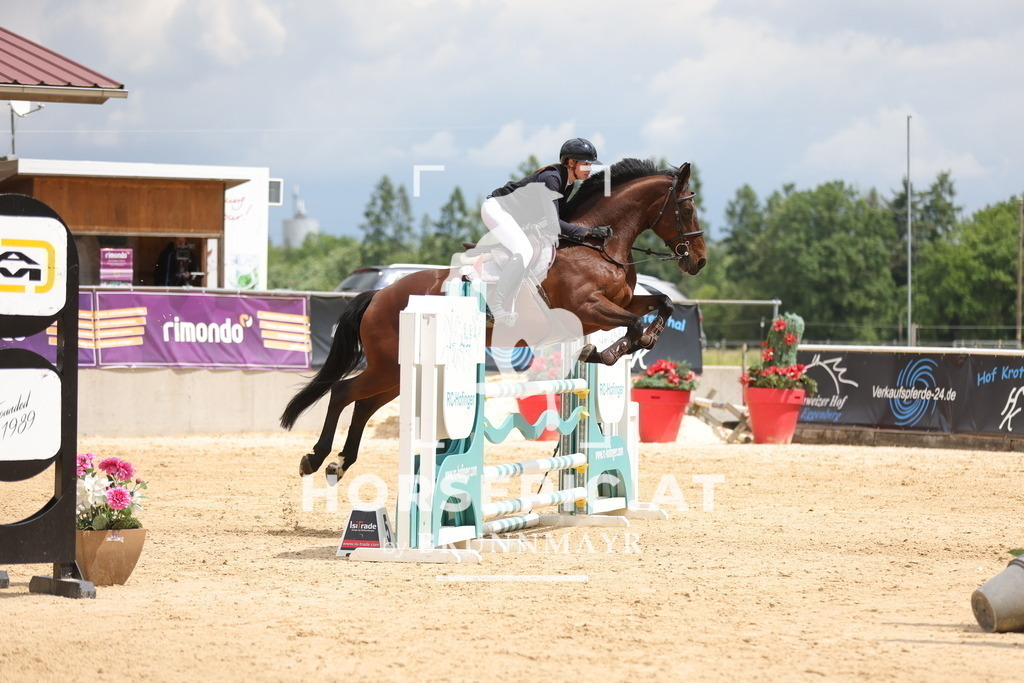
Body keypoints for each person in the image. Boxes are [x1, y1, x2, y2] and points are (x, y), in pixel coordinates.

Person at [480, 137, 612, 324]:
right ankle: (494, 306)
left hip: (514, 217)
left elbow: (562, 216)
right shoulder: (552, 179)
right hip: (497, 209)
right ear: (571, 162)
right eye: (585, 164)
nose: (589, 169)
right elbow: (554, 225)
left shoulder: (568, 183)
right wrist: (588, 232)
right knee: (523, 250)